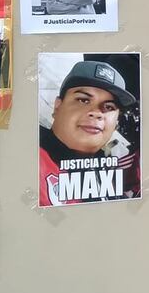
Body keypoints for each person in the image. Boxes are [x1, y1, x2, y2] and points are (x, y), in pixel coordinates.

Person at [39, 59, 137, 206]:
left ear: (116, 122)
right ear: (57, 106)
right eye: (83, 100)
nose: (97, 113)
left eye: (109, 107)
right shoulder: (30, 161)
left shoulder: (107, 171)